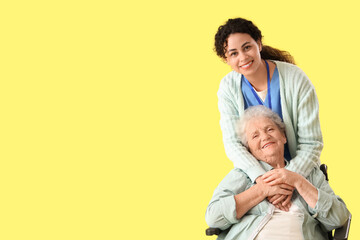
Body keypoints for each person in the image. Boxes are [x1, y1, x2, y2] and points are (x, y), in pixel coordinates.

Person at [215, 18, 323, 209]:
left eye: (247, 47)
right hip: (255, 179)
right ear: (226, 60)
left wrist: (289, 179)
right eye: (233, 53)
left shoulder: (296, 79)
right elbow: (233, 143)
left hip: (301, 174)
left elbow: (311, 143)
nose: (243, 57)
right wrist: (262, 182)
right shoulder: (228, 88)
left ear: (259, 43)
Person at [205, 106, 349, 240]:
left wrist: (297, 181)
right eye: (255, 136)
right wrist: (261, 190)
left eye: (270, 129)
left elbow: (339, 218)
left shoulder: (310, 174)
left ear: (284, 137)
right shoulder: (241, 175)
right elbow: (213, 217)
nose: (265, 137)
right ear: (249, 150)